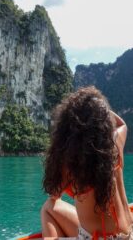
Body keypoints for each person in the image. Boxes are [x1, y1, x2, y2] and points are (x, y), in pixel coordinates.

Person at [41, 86, 133, 240]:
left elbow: (54, 195)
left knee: (48, 207)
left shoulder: (69, 164)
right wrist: (99, 111)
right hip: (128, 235)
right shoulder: (115, 145)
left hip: (95, 238)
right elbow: (121, 124)